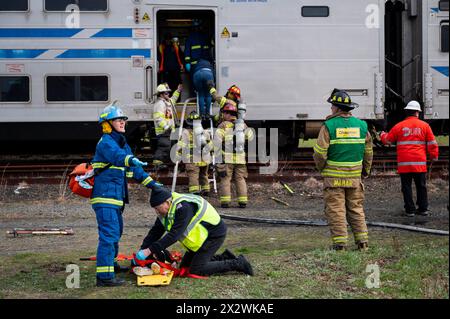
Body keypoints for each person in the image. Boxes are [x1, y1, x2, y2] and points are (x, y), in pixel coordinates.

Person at [93, 102, 162, 287]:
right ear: (107, 123)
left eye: (123, 119)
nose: (123, 122)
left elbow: (135, 171)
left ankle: (111, 265)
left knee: (116, 232)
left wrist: (154, 185)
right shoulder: (106, 142)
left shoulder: (122, 143)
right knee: (109, 235)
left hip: (115, 198)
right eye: (118, 119)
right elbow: (118, 157)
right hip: (105, 197)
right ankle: (104, 277)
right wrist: (130, 159)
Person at [135, 187, 254, 276]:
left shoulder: (184, 207)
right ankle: (224, 257)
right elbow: (154, 233)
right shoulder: (165, 212)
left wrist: (149, 250)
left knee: (196, 270)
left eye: (157, 208)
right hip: (200, 240)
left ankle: (238, 263)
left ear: (167, 202)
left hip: (213, 235)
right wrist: (142, 251)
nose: (157, 211)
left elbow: (174, 235)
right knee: (185, 267)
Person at [313, 89, 373, 251]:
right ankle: (363, 243)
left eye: (332, 106)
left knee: (336, 210)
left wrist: (323, 169)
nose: (331, 109)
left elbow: (319, 153)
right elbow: (368, 152)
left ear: (338, 108)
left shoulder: (329, 126)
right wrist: (365, 171)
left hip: (333, 179)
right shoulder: (361, 126)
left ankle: (340, 245)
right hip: (354, 178)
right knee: (356, 209)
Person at [380, 101, 439, 217]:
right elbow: (433, 144)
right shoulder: (425, 126)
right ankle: (423, 209)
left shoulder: (399, 126)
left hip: (405, 164)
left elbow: (387, 140)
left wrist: (382, 135)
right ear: (417, 113)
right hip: (419, 164)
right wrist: (433, 156)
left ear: (406, 112)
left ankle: (410, 210)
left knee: (406, 187)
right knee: (421, 186)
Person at [214, 102, 255, 208]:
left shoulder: (223, 125)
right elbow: (250, 137)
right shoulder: (242, 125)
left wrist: (218, 159)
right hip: (240, 159)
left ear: (228, 113)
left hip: (227, 159)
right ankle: (242, 202)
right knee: (240, 179)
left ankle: (225, 202)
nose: (223, 115)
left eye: (224, 113)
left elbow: (217, 143)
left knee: (225, 179)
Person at [175, 111, 213, 195]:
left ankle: (194, 191)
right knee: (203, 174)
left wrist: (177, 154)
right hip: (204, 158)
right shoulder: (205, 132)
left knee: (193, 175)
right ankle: (206, 189)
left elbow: (181, 145)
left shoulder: (186, 132)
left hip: (192, 158)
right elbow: (210, 144)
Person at [152, 83, 183, 169]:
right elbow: (158, 118)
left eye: (168, 93)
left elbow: (173, 99)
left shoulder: (167, 102)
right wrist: (166, 127)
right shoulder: (160, 104)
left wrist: (178, 91)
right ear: (161, 94)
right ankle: (158, 163)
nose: (168, 94)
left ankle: (168, 162)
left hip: (168, 130)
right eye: (166, 93)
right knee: (164, 146)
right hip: (163, 131)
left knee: (170, 146)